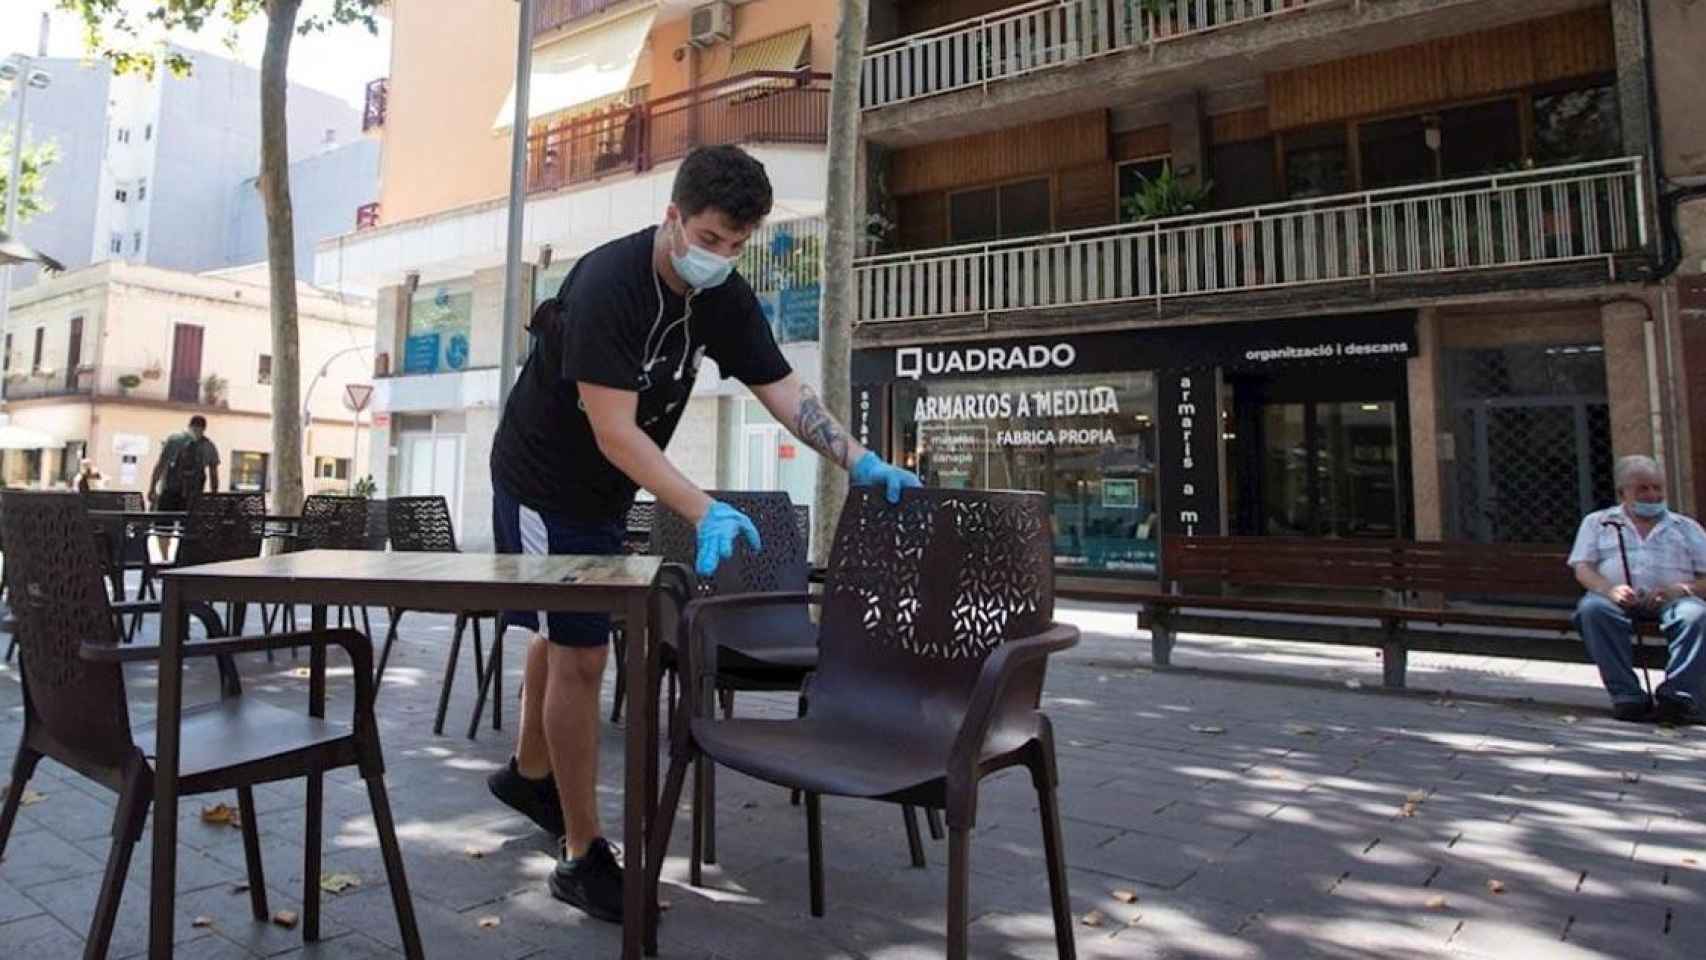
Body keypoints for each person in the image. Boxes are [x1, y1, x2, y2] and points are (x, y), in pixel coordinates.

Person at [484, 145, 920, 923]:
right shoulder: (609, 283)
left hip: (606, 490)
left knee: (560, 634)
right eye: (711, 239)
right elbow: (614, 430)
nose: (720, 257)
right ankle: (582, 854)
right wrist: (701, 508)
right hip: (544, 483)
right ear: (674, 217)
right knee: (583, 652)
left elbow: (783, 390)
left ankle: (527, 773)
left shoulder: (721, 294)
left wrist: (860, 459)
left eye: (736, 246)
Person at [1569, 455, 1706, 723]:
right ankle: (1627, 697)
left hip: (1675, 601)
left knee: (1695, 616)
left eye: (1657, 488)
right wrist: (1610, 590)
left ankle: (1678, 697)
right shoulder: (1598, 523)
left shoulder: (1685, 527)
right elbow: (1582, 568)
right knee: (1592, 609)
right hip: (1615, 599)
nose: (1652, 495)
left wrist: (1680, 590)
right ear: (1622, 492)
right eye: (1642, 488)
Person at [149, 415, 221, 510]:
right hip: (193, 494)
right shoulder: (209, 446)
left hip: (172, 491)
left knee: (164, 521)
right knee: (188, 523)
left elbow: (160, 466)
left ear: (189, 426)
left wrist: (152, 488)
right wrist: (213, 496)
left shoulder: (174, 440)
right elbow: (213, 475)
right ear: (204, 428)